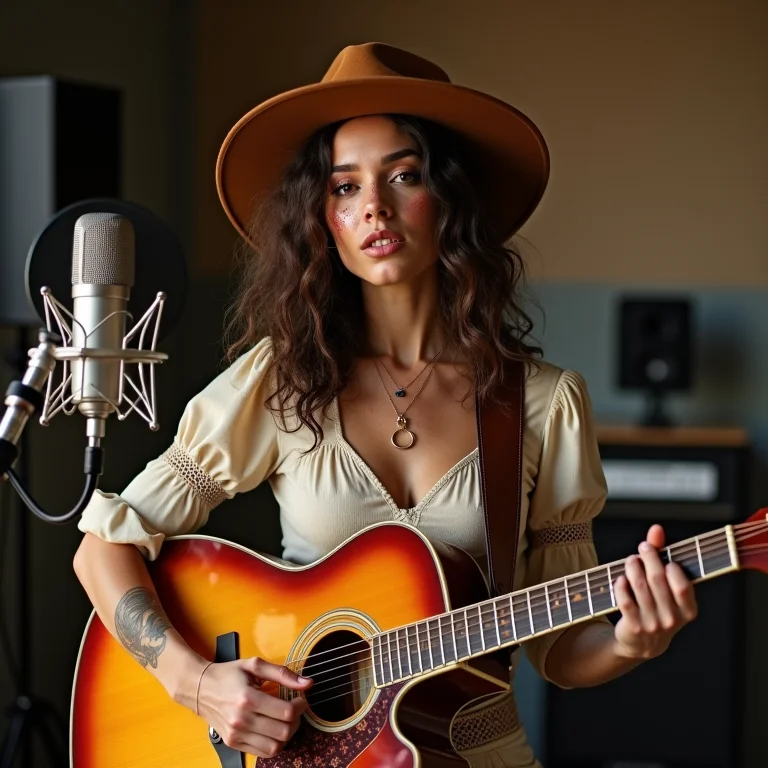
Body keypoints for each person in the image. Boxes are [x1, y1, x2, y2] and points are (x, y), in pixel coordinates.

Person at [73, 42, 698, 767]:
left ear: (451, 200)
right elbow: (104, 549)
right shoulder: (281, 380)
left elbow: (559, 649)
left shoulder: (542, 403)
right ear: (322, 220)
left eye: (404, 175)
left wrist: (631, 639)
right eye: (343, 187)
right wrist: (197, 682)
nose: (374, 206)